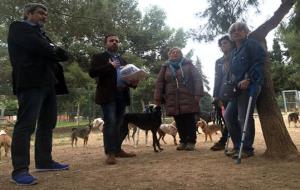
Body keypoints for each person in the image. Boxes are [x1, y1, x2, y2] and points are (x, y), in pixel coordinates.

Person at [7, 3, 69, 185]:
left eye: (46, 14)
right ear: (28, 14)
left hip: (48, 83)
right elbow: (42, 48)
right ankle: (19, 171)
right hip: (29, 82)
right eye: (41, 13)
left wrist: (52, 50)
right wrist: (52, 50)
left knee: (47, 123)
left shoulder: (41, 35)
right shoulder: (18, 28)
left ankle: (44, 161)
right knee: (26, 125)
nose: (44, 17)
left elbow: (63, 55)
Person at [89, 34, 137, 165]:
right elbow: (92, 72)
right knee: (110, 122)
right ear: (106, 43)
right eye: (111, 41)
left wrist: (134, 81)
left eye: (117, 41)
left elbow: (128, 79)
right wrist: (109, 66)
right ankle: (110, 153)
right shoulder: (99, 57)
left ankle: (117, 150)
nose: (114, 42)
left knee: (119, 124)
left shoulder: (123, 61)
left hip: (122, 95)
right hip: (107, 95)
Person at [224, 22, 266, 158]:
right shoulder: (234, 51)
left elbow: (259, 62)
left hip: (250, 86)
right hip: (236, 89)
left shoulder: (252, 45)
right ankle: (238, 146)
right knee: (228, 116)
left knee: (244, 117)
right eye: (233, 31)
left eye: (240, 30)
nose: (236, 32)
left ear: (246, 31)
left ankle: (246, 149)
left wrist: (249, 79)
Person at [154, 47, 204, 151]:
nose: (175, 53)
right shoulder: (165, 66)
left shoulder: (188, 64)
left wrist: (198, 94)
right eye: (172, 52)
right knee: (179, 121)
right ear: (169, 55)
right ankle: (183, 141)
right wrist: (158, 97)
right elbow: (160, 83)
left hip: (188, 96)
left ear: (181, 54)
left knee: (189, 120)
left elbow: (197, 79)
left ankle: (191, 141)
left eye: (177, 52)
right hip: (172, 98)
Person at [210, 35, 238, 151]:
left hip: (237, 91)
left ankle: (234, 143)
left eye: (225, 43)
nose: (223, 45)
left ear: (231, 43)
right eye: (221, 44)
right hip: (223, 93)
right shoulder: (219, 61)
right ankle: (224, 140)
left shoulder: (237, 56)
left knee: (234, 118)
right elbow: (217, 78)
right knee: (227, 119)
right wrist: (216, 95)